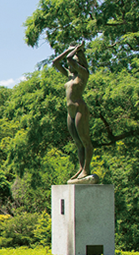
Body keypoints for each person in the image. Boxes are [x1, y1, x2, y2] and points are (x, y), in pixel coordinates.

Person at [53, 42, 98, 184]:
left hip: (79, 108)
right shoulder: (69, 76)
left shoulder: (83, 74)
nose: (70, 66)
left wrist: (76, 50)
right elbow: (55, 62)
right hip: (70, 111)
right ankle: (80, 168)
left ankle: (86, 168)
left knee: (85, 140)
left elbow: (69, 60)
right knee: (77, 143)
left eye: (74, 63)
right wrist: (68, 49)